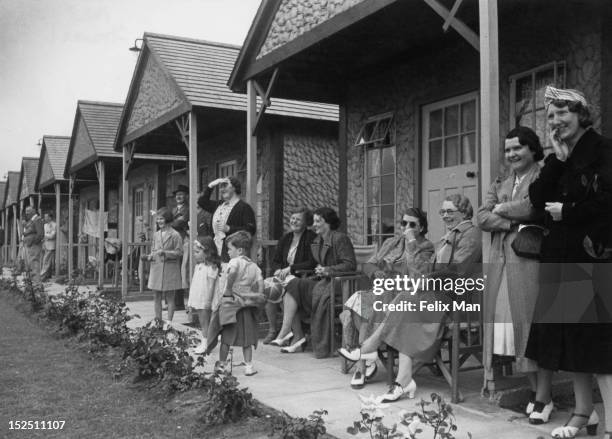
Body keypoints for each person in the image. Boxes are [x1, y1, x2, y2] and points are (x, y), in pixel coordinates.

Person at [525, 86, 612, 438]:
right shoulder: (558, 157)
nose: (556, 121)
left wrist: (570, 211)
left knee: (600, 341)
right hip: (560, 259)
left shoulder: (604, 150)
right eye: (550, 116)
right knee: (575, 340)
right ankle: (583, 412)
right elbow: (536, 199)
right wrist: (557, 161)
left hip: (594, 257)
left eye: (563, 113)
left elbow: (609, 202)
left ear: (581, 114)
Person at [339, 194, 482, 402]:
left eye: (450, 211)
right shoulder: (449, 236)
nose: (445, 216)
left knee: (403, 302)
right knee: (402, 306)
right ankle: (402, 380)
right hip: (432, 295)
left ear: (464, 212)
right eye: (442, 212)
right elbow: (375, 264)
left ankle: (368, 349)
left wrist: (426, 279)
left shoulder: (470, 234)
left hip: (454, 301)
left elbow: (457, 270)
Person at [476, 126, 543, 413]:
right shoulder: (501, 181)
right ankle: (536, 390)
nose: (512, 154)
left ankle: (543, 393)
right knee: (512, 332)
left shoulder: (541, 176)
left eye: (518, 148)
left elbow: (533, 207)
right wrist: (508, 221)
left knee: (530, 327)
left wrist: (501, 209)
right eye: (508, 150)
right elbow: (480, 216)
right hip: (501, 266)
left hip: (529, 263)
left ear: (531, 149)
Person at [341, 208, 435, 389]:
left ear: (421, 227)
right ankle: (368, 356)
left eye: (412, 224)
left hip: (403, 293)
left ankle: (362, 364)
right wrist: (376, 272)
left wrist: (411, 242)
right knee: (357, 301)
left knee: (370, 308)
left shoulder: (425, 247)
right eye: (404, 223)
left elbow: (419, 275)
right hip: (382, 288)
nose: (406, 227)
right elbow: (369, 264)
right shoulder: (391, 242)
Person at [273, 207, 356, 358]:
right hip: (323, 282)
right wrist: (321, 270)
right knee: (291, 287)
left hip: (339, 284)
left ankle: (289, 334)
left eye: (319, 221)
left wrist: (327, 270)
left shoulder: (339, 238)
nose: (314, 224)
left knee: (294, 286)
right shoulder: (317, 240)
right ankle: (294, 335)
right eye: (314, 221)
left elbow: (350, 264)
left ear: (328, 223)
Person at [206, 231, 263, 376]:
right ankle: (249, 367)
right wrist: (258, 295)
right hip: (247, 306)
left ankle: (222, 365)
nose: (228, 252)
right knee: (247, 339)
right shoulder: (254, 266)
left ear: (240, 250)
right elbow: (260, 282)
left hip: (232, 305)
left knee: (226, 337)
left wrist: (229, 291)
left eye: (230, 249)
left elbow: (231, 274)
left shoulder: (235, 261)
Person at [261, 207, 317, 344]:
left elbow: (312, 262)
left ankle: (290, 333)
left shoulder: (311, 237)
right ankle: (273, 330)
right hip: (284, 276)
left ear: (306, 222)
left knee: (280, 290)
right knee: (268, 287)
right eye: (293, 218)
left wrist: (291, 268)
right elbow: (276, 260)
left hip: (301, 277)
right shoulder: (286, 238)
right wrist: (277, 270)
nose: (294, 221)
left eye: (298, 219)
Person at [198, 177, 256, 262]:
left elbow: (251, 229)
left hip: (230, 251)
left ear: (234, 187)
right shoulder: (219, 204)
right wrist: (211, 186)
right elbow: (202, 202)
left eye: (225, 186)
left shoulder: (244, 207)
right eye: (221, 187)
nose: (222, 189)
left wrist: (229, 228)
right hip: (215, 250)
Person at [146, 207, 183, 321]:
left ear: (167, 219)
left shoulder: (175, 235)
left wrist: (165, 253)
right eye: (157, 219)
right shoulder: (156, 234)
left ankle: (169, 323)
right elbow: (153, 249)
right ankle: (158, 321)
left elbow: (179, 252)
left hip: (170, 269)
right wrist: (151, 256)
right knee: (156, 296)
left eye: (161, 219)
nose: (159, 221)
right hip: (156, 268)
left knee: (170, 298)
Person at [188, 236, 221, 354]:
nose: (195, 255)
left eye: (197, 252)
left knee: (206, 321)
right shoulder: (199, 265)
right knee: (202, 321)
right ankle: (204, 340)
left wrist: (208, 300)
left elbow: (211, 285)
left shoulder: (212, 267)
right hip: (199, 297)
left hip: (206, 298)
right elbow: (195, 284)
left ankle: (206, 342)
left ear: (207, 252)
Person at [171, 184, 189, 310]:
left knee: (180, 271)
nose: (179, 197)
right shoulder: (173, 210)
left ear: (186, 196)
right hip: (173, 242)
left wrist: (169, 223)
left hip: (183, 242)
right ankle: (173, 302)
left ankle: (179, 303)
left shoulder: (187, 209)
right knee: (173, 272)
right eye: (177, 195)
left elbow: (179, 223)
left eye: (181, 194)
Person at [22, 206, 44, 285]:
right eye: (26, 211)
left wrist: (33, 242)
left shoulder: (37, 219)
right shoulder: (31, 221)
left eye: (28, 211)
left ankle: (37, 284)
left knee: (34, 264)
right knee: (29, 265)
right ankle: (31, 284)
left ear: (34, 211)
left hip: (34, 246)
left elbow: (40, 234)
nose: (27, 213)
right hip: (29, 245)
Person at [40, 211, 57, 281]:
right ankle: (48, 276)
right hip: (45, 245)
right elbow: (46, 235)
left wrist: (45, 235)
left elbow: (52, 236)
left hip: (51, 245)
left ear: (50, 217)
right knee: (47, 260)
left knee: (46, 261)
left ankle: (42, 276)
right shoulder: (45, 225)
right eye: (44, 217)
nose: (45, 218)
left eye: (46, 217)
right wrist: (45, 237)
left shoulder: (54, 225)